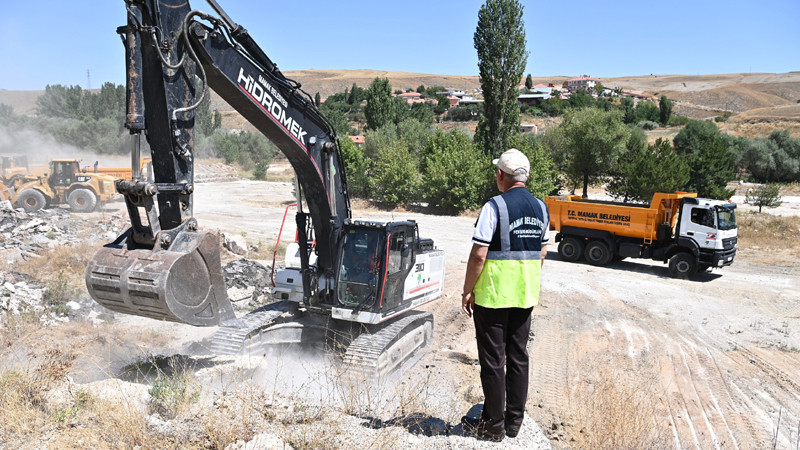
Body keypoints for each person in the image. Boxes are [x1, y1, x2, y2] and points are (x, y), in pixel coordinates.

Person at [460, 148, 550, 442]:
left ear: (501, 175)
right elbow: (543, 252)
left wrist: (467, 290)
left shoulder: (494, 207)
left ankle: (493, 427)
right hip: (525, 295)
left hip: (494, 296)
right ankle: (514, 423)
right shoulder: (541, 207)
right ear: (525, 176)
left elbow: (478, 255)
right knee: (519, 357)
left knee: (493, 362)